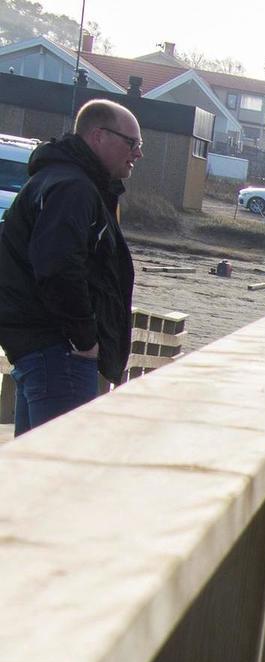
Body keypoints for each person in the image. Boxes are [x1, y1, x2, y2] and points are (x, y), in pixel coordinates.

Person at [0, 99, 139, 436]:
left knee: (35, 467)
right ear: (98, 136)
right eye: (132, 143)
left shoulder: (64, 182)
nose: (138, 154)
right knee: (61, 468)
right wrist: (85, 339)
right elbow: (58, 267)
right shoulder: (72, 188)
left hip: (42, 348)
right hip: (59, 352)